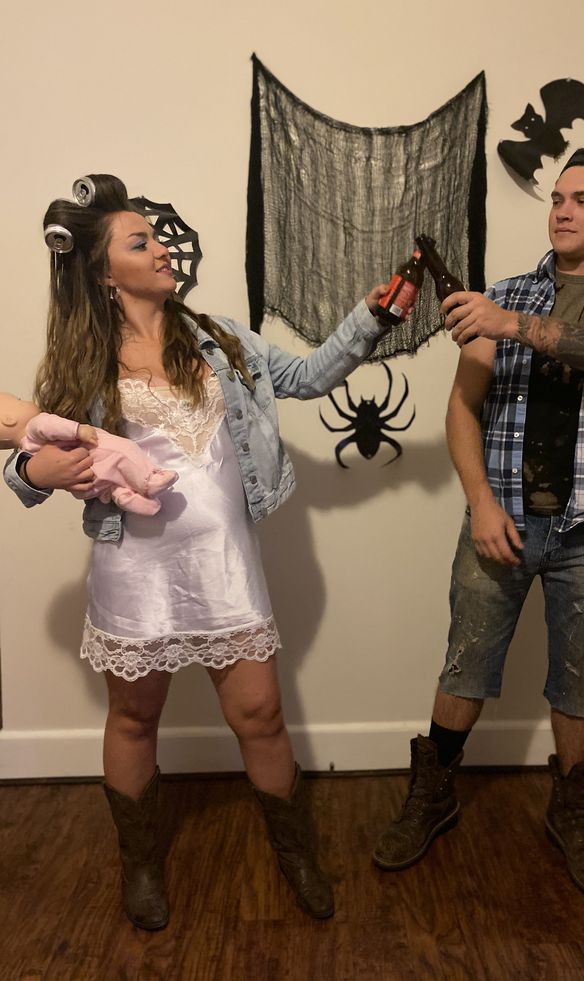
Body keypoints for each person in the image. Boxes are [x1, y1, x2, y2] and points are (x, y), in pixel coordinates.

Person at [4, 173, 396, 927]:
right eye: (140, 241)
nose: (162, 249)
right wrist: (37, 469)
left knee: (262, 715)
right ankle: (141, 863)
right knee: (133, 719)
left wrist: (369, 319)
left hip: (224, 568)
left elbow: (309, 376)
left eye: (156, 237)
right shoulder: (81, 362)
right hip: (134, 571)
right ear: (101, 271)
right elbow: (29, 447)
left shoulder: (220, 337)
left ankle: (297, 854)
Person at [372, 146, 584, 904]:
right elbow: (461, 408)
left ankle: (573, 814)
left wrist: (509, 321)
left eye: (582, 198)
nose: (563, 210)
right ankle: (434, 792)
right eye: (557, 197)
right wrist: (479, 499)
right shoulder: (501, 293)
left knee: (581, 683)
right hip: (500, 520)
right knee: (464, 665)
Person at [0, 392, 178, 515]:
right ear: (8, 419)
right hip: (95, 453)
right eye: (19, 399)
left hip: (87, 479)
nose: (26, 401)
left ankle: (125, 496)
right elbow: (54, 425)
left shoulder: (26, 450)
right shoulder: (37, 424)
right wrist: (78, 430)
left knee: (112, 480)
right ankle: (148, 481)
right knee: (125, 452)